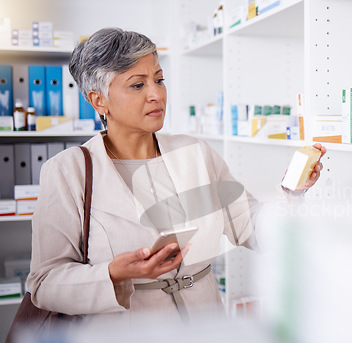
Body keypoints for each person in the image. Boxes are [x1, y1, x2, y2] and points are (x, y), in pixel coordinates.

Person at [26, 27, 326, 324]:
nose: (156, 94)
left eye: (159, 79)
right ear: (98, 100)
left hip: (205, 332)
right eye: (137, 85)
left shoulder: (195, 151)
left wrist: (292, 192)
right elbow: (44, 283)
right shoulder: (68, 171)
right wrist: (113, 274)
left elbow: (252, 228)